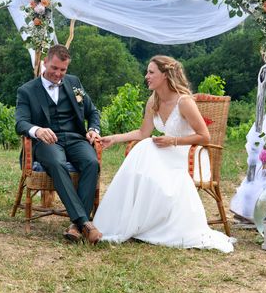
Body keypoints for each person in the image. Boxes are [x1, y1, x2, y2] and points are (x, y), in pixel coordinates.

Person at [94, 55, 234, 252]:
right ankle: (128, 220)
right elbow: (143, 133)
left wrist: (173, 141)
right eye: (147, 72)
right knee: (144, 147)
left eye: (151, 72)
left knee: (147, 150)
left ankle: (150, 223)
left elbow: (204, 137)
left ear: (165, 75)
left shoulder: (184, 102)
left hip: (190, 155)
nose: (146, 76)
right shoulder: (153, 101)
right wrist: (114, 138)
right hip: (167, 152)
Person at [15, 44, 102, 244]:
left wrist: (93, 130)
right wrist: (37, 130)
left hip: (75, 138)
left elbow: (93, 112)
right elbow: (20, 122)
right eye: (54, 68)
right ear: (45, 62)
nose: (58, 74)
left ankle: (75, 226)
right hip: (46, 143)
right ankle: (84, 223)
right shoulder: (27, 91)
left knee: (91, 162)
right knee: (57, 163)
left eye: (63, 70)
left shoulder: (73, 83)